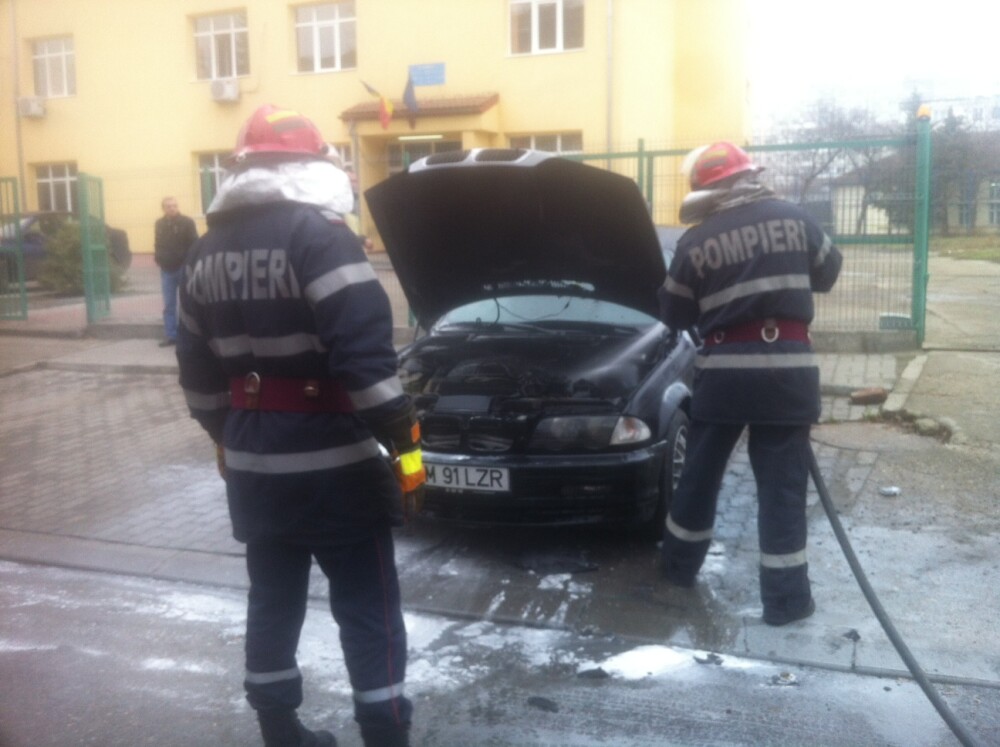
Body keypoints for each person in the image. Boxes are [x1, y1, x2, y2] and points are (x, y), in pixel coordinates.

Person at [175, 104, 424, 747]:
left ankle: (281, 732)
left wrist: (225, 437)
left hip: (255, 463)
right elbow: (364, 362)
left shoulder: (203, 252)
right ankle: (385, 731)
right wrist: (404, 440)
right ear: (311, 166)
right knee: (367, 606)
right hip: (334, 463)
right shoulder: (319, 235)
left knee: (273, 600)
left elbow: (198, 377)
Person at [658, 141, 842, 626]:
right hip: (789, 376)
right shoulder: (795, 217)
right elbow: (828, 272)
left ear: (704, 189)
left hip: (724, 379)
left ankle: (677, 569)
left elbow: (673, 312)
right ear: (749, 175)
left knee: (699, 477)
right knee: (782, 491)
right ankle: (786, 604)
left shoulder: (696, 241)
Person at [154, 196, 199, 346]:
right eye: (168, 206)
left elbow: (194, 243)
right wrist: (159, 258)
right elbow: (157, 243)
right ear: (163, 208)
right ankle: (171, 336)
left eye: (174, 205)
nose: (172, 208)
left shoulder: (187, 222)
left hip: (183, 268)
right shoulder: (159, 224)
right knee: (169, 304)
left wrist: (189, 263)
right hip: (166, 269)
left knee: (188, 303)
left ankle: (191, 335)